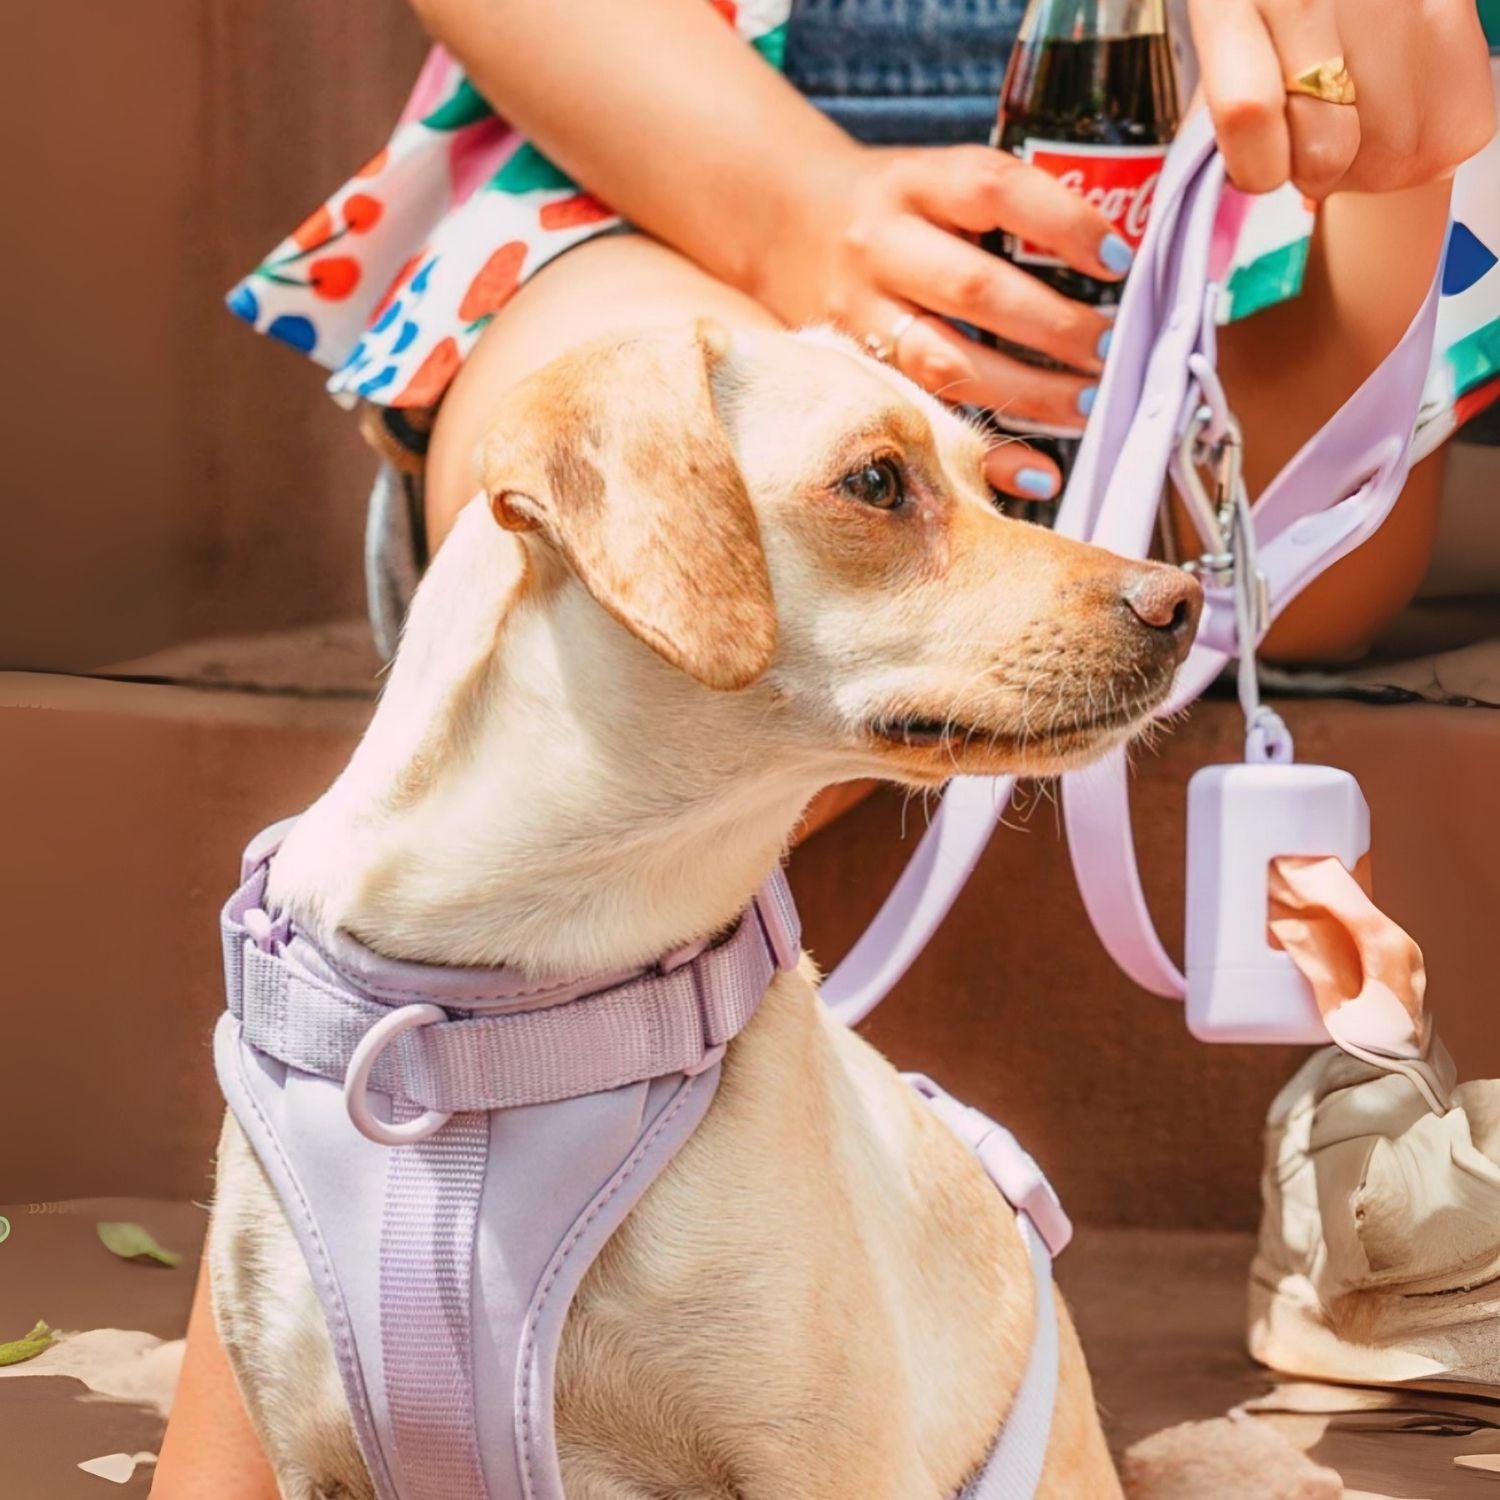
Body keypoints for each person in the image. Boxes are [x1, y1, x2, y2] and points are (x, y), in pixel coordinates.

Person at [156, 2, 1496, 1491]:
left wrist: (1389, 125)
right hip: (640, 149)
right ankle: (288, 1334)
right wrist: (792, 202)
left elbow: (1303, 534)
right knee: (647, 575)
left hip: (1188, 245)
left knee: (1185, 573)